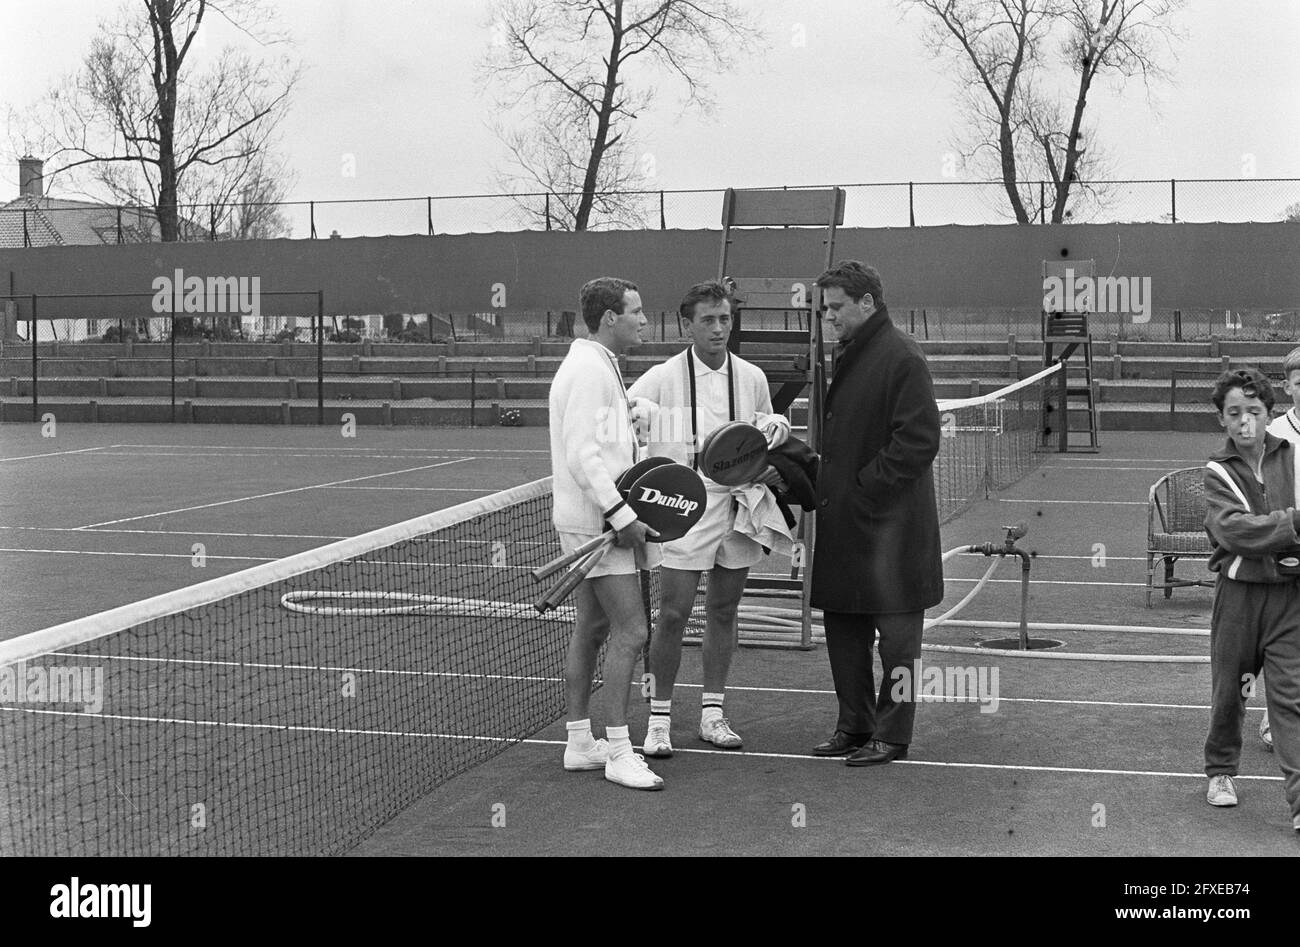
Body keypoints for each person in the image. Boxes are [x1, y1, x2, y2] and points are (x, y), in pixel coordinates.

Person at [626, 280, 790, 757]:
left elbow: (768, 423)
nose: (718, 328)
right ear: (687, 324)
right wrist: (642, 416)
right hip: (684, 507)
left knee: (724, 610)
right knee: (673, 614)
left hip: (739, 501)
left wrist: (775, 428)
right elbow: (623, 417)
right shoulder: (661, 376)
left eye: (724, 319)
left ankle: (713, 714)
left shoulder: (752, 376)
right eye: (708, 320)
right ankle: (658, 719)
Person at [808, 261, 943, 766]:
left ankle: (892, 734)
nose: (829, 316)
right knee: (844, 634)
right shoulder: (849, 353)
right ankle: (854, 726)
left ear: (868, 303)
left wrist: (862, 492)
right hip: (847, 528)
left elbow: (918, 441)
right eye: (826, 308)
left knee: (898, 646)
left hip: (892, 532)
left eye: (837, 306)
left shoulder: (902, 356)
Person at [549, 276, 664, 791]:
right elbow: (582, 455)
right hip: (598, 526)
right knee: (633, 631)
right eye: (635, 311)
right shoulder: (592, 369)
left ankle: (579, 742)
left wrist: (630, 424)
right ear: (610, 317)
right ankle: (619, 750)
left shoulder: (596, 365)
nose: (644, 319)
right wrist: (623, 518)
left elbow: (596, 444)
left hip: (588, 522)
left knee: (593, 629)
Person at [1202, 367, 1300, 832]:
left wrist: (1273, 534)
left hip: (1289, 600)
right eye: (1234, 413)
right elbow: (1231, 530)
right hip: (1239, 600)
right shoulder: (1217, 470)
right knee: (1231, 693)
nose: (1245, 422)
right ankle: (1221, 771)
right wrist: (1291, 526)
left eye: (1254, 412)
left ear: (1268, 413)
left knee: (1291, 700)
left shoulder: (1294, 458)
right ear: (1222, 419)